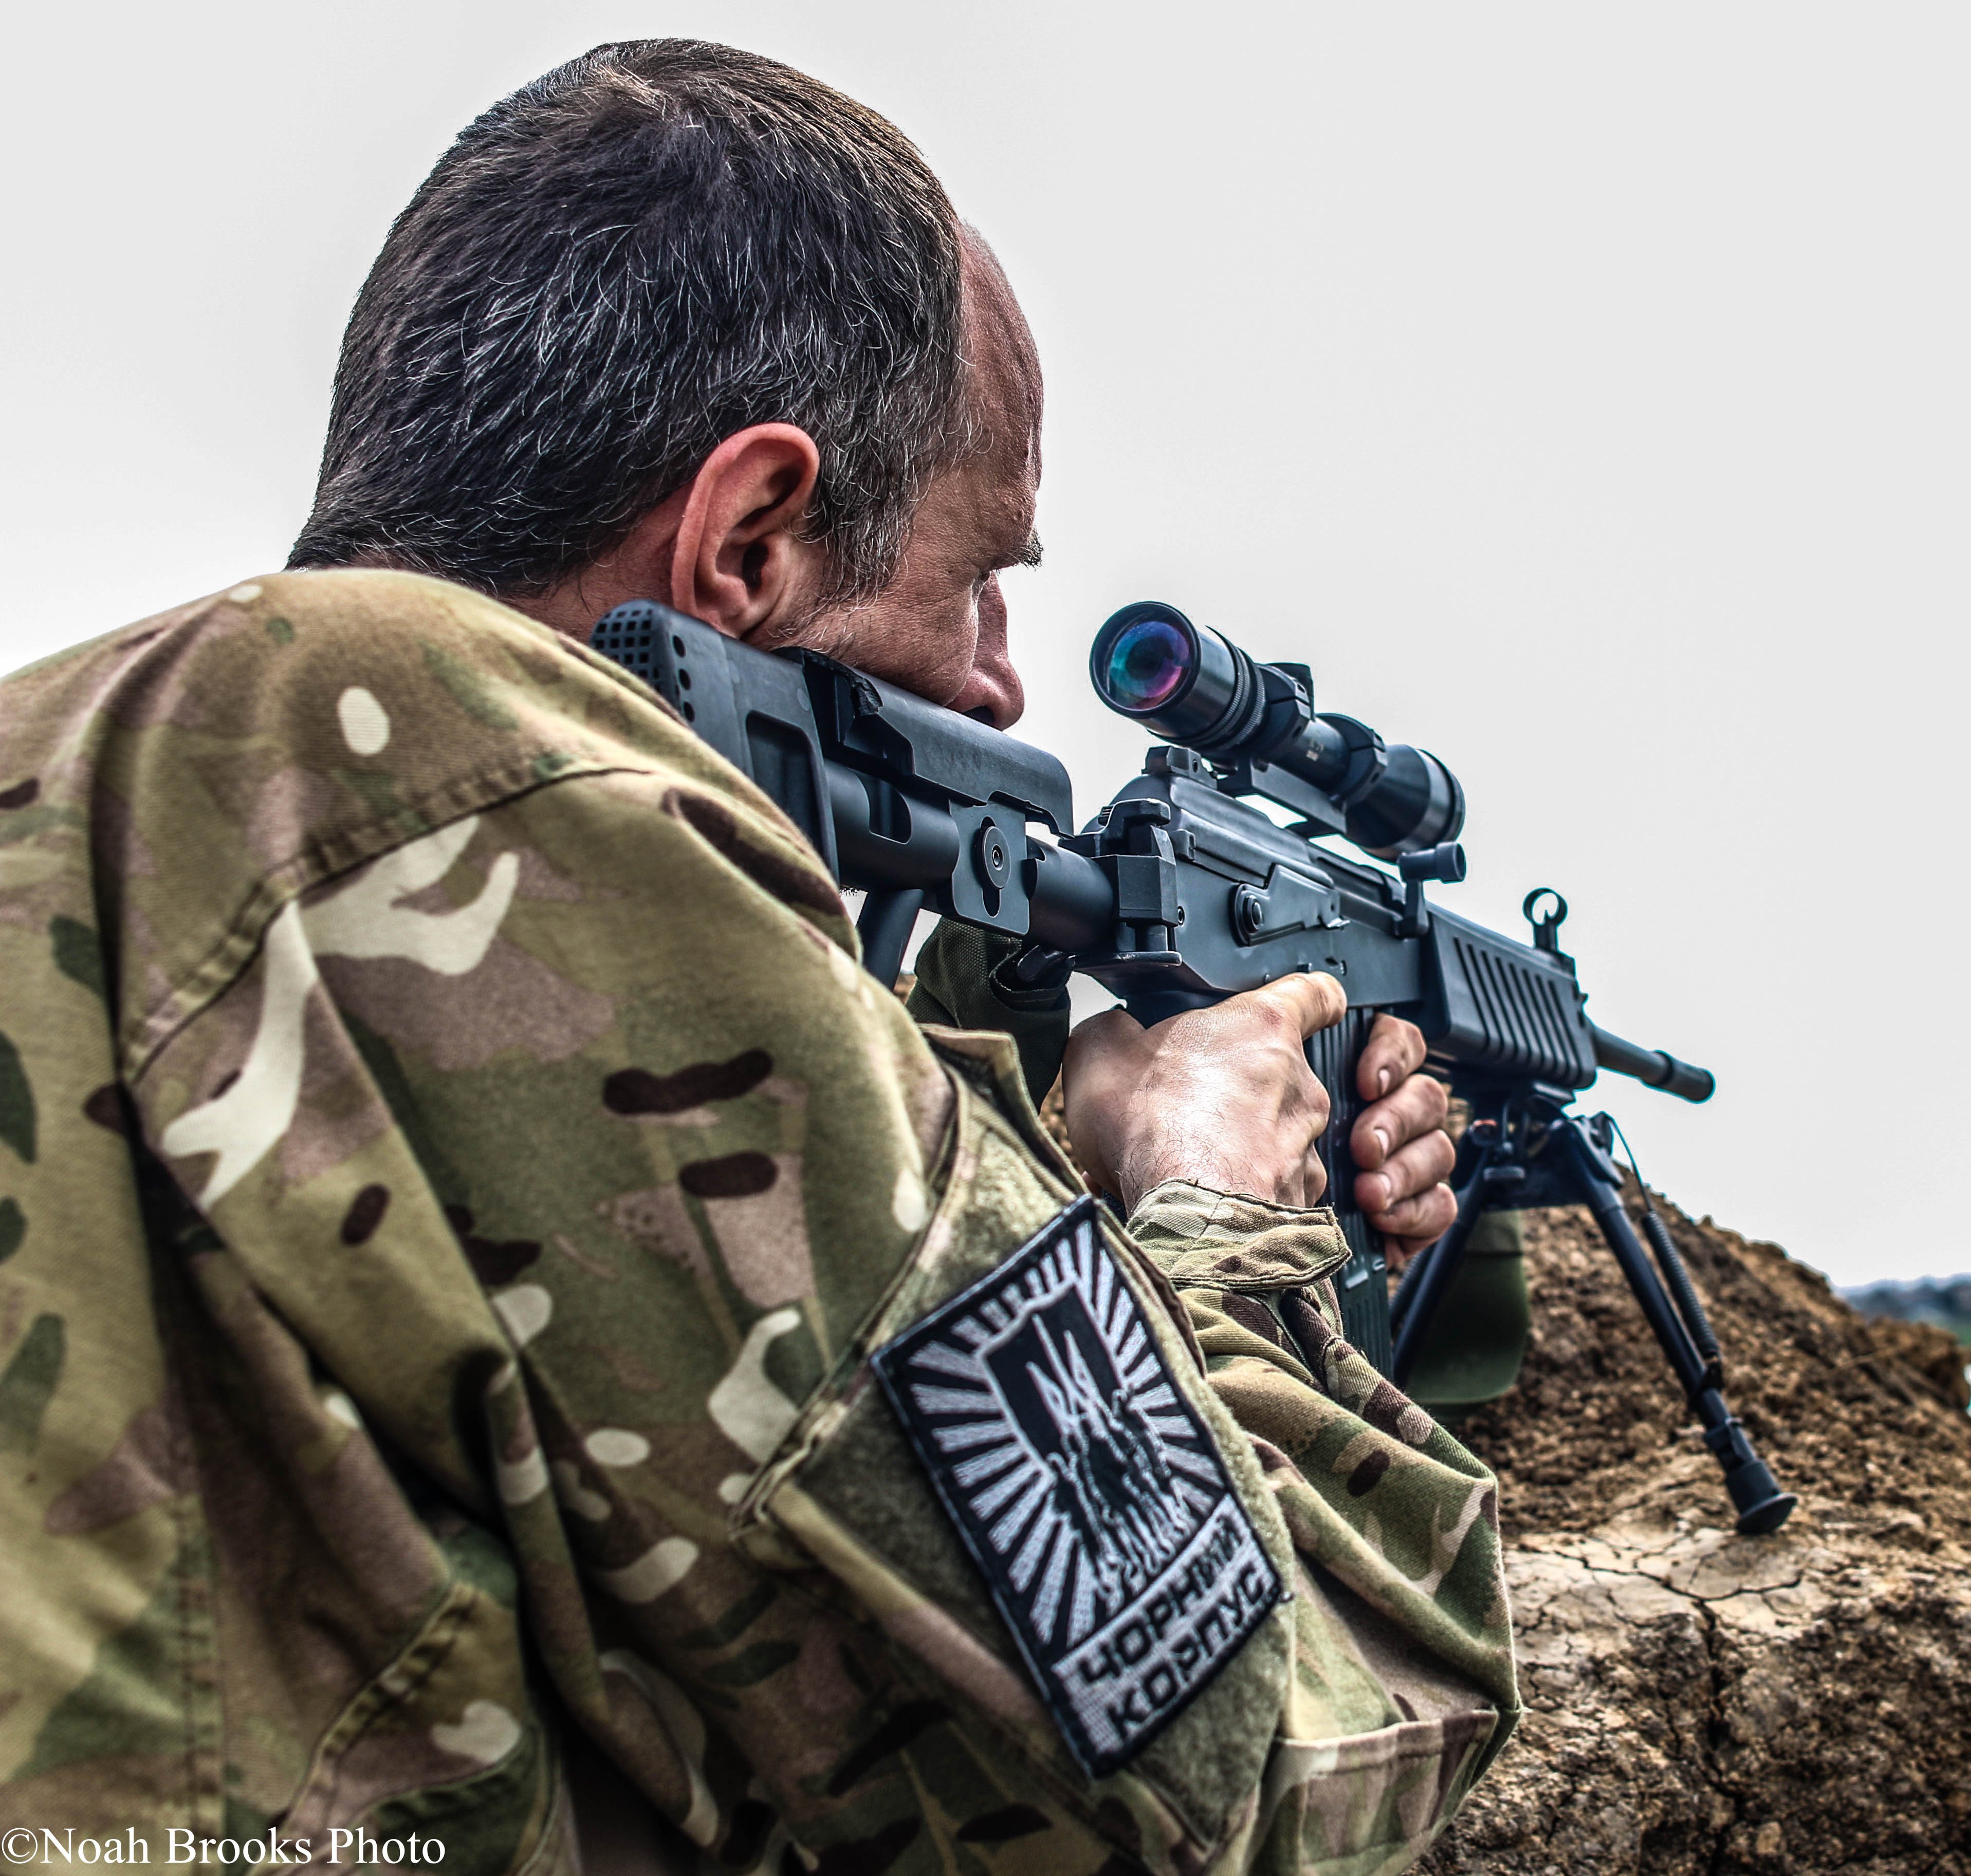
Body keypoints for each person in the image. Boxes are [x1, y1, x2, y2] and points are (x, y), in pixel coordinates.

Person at [0, 40, 1514, 1874]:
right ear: (748, 540)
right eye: (981, 574)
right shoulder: (486, 768)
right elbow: (1238, 1784)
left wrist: (1018, 1123)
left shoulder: (115, 755)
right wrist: (1223, 1212)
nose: (1003, 678)